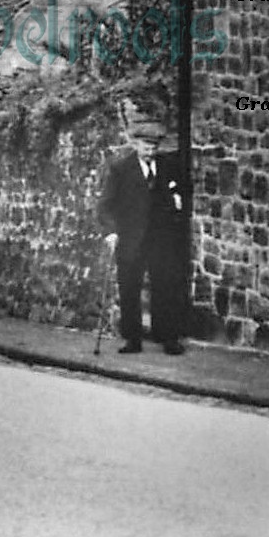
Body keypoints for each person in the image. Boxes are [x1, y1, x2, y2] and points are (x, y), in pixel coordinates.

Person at [97, 108, 188, 355]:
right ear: (136, 144)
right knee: (129, 289)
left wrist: (176, 201)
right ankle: (132, 340)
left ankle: (168, 338)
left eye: (153, 148)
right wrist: (110, 232)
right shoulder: (120, 168)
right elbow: (105, 205)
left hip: (160, 241)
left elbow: (176, 195)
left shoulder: (167, 166)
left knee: (165, 286)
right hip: (130, 240)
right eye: (146, 147)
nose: (150, 152)